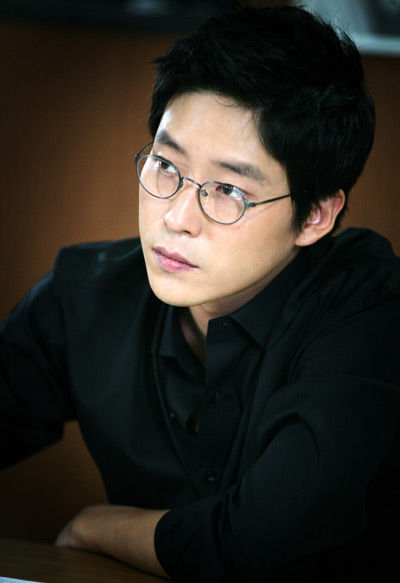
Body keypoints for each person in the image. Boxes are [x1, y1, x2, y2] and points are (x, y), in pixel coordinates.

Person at [1, 4, 399, 582]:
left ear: (315, 214)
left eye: (228, 191)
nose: (177, 217)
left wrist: (95, 527)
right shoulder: (87, 292)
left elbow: (262, 542)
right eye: (166, 165)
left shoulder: (371, 309)